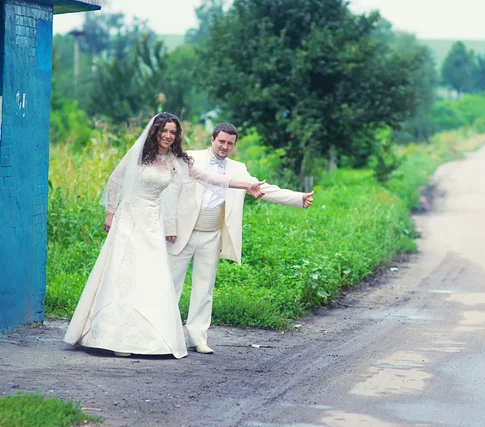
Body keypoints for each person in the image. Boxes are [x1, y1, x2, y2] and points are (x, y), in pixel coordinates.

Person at [64, 113, 265, 358]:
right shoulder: (139, 154)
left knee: (150, 278)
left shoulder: (178, 161)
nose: (169, 136)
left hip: (152, 222)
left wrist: (245, 185)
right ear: (155, 131)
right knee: (123, 274)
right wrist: (111, 212)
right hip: (128, 219)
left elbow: (209, 177)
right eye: (165, 131)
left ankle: (144, 337)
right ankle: (111, 336)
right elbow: (116, 179)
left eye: (173, 132)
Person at [162, 123, 314, 354]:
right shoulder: (190, 158)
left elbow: (264, 189)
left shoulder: (238, 168)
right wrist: (168, 225)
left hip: (212, 234)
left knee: (205, 289)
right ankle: (164, 335)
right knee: (171, 285)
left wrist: (297, 197)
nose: (225, 147)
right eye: (221, 141)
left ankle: (197, 337)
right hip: (181, 232)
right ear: (212, 139)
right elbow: (168, 191)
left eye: (230, 143)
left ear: (234, 145)